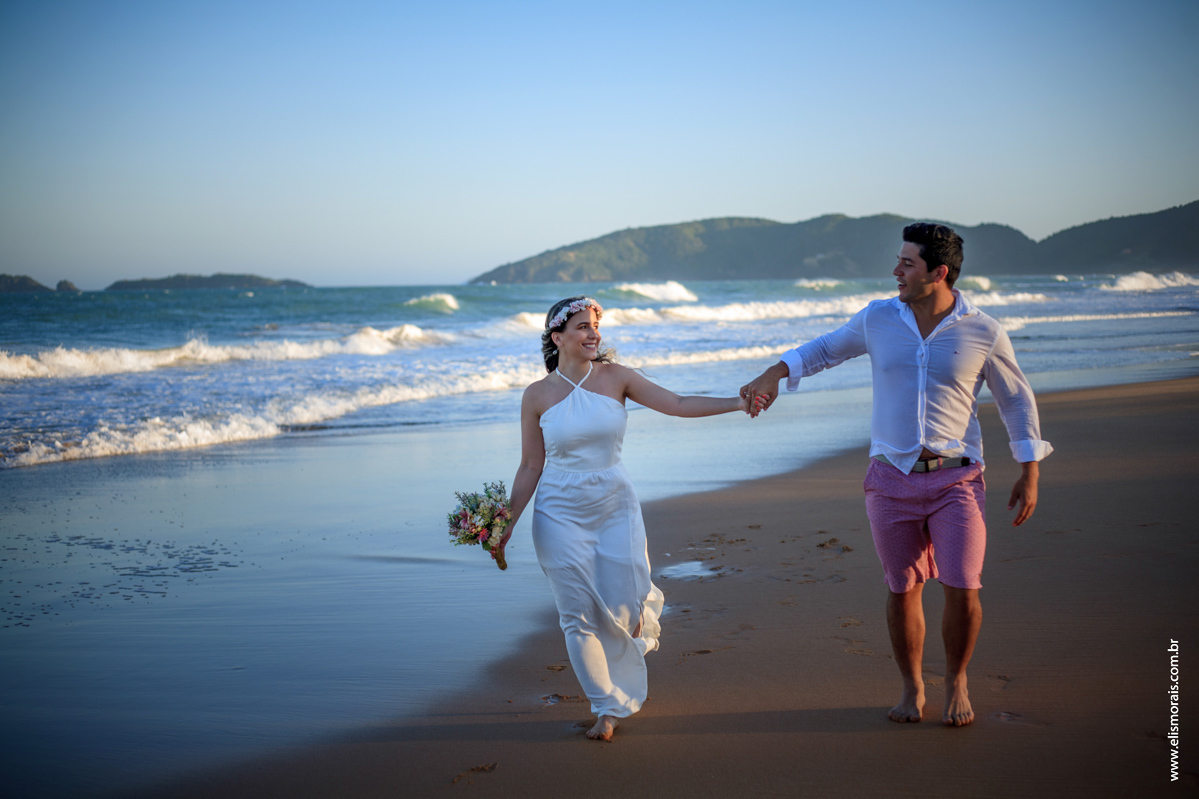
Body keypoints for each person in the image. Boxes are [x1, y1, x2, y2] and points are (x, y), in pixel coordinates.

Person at [740, 223, 1052, 727]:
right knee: (902, 586)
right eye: (899, 261)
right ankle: (911, 687)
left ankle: (956, 679)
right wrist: (771, 375)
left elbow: (1016, 398)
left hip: (957, 479)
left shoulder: (983, 331)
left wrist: (1029, 469)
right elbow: (823, 350)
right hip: (890, 478)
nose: (896, 271)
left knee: (963, 586)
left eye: (907, 263)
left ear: (939, 272)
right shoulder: (878, 318)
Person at [498, 296, 752, 741]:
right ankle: (606, 708)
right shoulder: (537, 395)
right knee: (576, 614)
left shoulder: (617, 378)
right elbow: (530, 466)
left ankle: (624, 658)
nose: (593, 333)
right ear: (557, 337)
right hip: (558, 513)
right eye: (582, 326)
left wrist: (737, 402)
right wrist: (505, 525)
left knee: (624, 605)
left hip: (615, 506)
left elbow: (677, 403)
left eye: (596, 325)